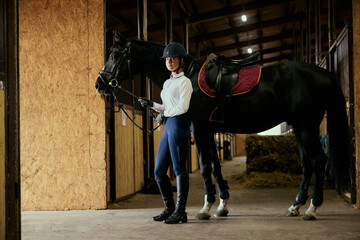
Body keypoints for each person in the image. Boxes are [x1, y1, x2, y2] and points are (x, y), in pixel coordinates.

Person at [138, 42, 193, 224]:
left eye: (173, 59)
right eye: (167, 59)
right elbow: (168, 107)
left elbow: (183, 107)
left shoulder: (185, 82)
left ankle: (181, 211)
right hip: (169, 125)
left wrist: (164, 114)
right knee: (159, 171)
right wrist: (153, 105)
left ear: (181, 60)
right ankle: (169, 209)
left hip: (178, 125)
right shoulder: (168, 82)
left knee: (178, 168)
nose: (170, 62)